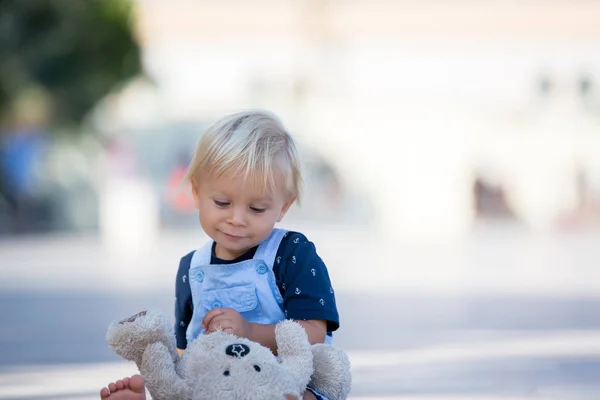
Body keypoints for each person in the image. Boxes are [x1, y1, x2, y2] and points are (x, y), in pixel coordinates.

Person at [100, 110, 340, 400]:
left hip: (287, 378)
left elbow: (314, 332)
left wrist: (250, 331)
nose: (237, 219)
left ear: (283, 207)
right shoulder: (192, 267)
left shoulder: (291, 254)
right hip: (217, 385)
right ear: (197, 193)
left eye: (257, 209)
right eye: (223, 202)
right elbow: (186, 347)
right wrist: (166, 369)